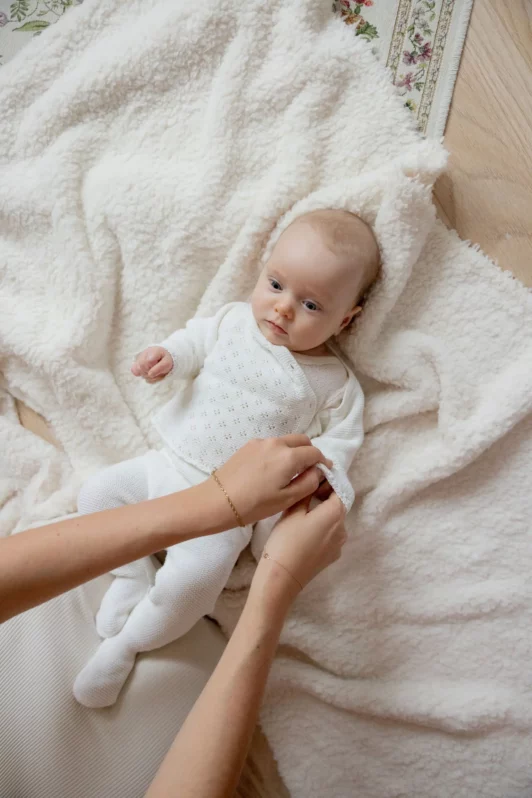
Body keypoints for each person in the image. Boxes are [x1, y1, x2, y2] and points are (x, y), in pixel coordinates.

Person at [73, 209, 379, 708]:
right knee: (96, 496)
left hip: (229, 514)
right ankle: (131, 577)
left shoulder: (333, 382)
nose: (282, 309)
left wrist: (327, 484)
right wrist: (167, 357)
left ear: (346, 318)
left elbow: (340, 446)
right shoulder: (234, 321)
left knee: (194, 583)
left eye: (310, 304)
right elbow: (193, 342)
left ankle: (125, 647)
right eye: (275, 284)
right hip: (166, 466)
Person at [0, 435, 347, 798]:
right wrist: (278, 583)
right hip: (197, 699)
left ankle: (132, 582)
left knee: (98, 494)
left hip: (81, 560)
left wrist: (216, 501)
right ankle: (126, 642)